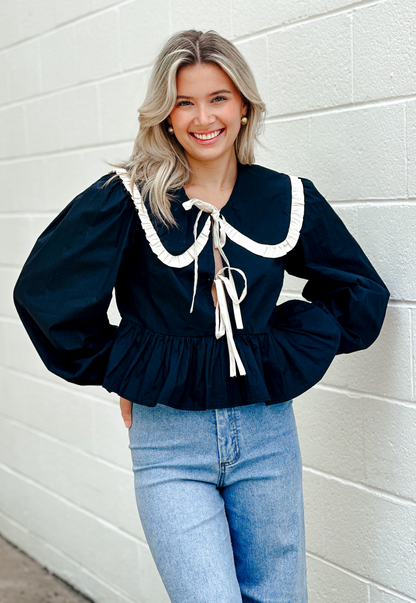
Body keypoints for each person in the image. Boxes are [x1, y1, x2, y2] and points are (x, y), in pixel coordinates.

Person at [13, 29, 389, 603]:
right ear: (165, 116)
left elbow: (358, 291)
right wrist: (125, 365)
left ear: (244, 107)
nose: (202, 117)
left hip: (266, 433)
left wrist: (283, 342)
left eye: (217, 98)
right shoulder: (129, 197)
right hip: (168, 438)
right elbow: (48, 294)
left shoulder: (285, 197)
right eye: (184, 102)